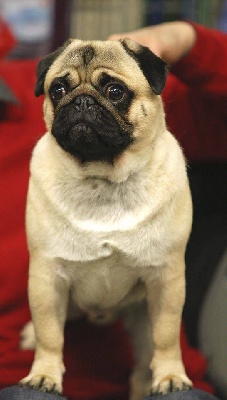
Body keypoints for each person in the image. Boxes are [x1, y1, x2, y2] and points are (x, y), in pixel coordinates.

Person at [0, 19, 226, 400]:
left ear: (155, 96)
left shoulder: (163, 135)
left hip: (159, 373)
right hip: (30, 377)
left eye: (114, 91)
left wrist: (185, 40)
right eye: (61, 91)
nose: (84, 104)